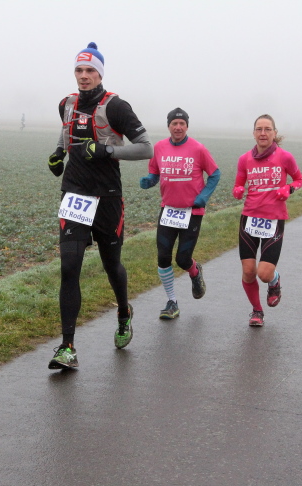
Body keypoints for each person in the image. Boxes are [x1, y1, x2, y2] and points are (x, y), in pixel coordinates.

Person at [47, 42, 153, 369]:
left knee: (111, 265)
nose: (84, 76)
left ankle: (123, 311)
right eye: (79, 70)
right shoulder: (66, 103)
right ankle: (67, 347)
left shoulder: (116, 106)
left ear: (100, 73)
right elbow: (67, 131)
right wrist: (58, 153)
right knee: (69, 267)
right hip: (75, 194)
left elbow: (145, 148)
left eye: (90, 70)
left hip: (107, 196)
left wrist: (107, 151)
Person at [140, 107, 220, 319]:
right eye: (174, 123)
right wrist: (149, 180)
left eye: (181, 123)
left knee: (183, 259)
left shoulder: (198, 149)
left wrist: (203, 196)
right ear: (168, 126)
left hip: (192, 212)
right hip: (168, 210)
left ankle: (195, 272)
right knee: (163, 257)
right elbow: (155, 172)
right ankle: (172, 302)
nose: (178, 127)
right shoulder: (159, 147)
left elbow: (215, 174)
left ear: (187, 126)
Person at [232, 114, 302, 327]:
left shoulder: (285, 157)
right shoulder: (245, 159)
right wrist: (238, 190)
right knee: (248, 271)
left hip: (274, 220)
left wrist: (288, 188)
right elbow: (238, 184)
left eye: (267, 129)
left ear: (274, 133)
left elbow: (299, 180)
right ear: (254, 133)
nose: (263, 133)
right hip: (249, 218)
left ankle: (274, 280)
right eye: (259, 129)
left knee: (263, 273)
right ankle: (257, 311)